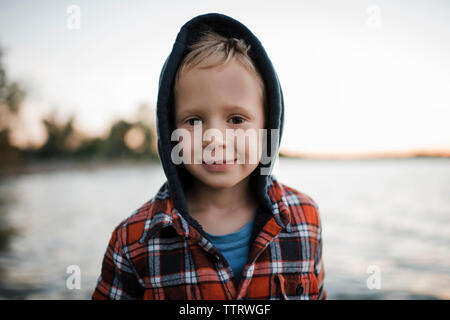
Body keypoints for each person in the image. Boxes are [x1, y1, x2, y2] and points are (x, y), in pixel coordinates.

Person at [92, 12, 326, 300]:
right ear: (169, 130)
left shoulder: (306, 220)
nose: (214, 138)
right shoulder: (133, 241)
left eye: (237, 119)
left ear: (268, 127)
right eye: (193, 121)